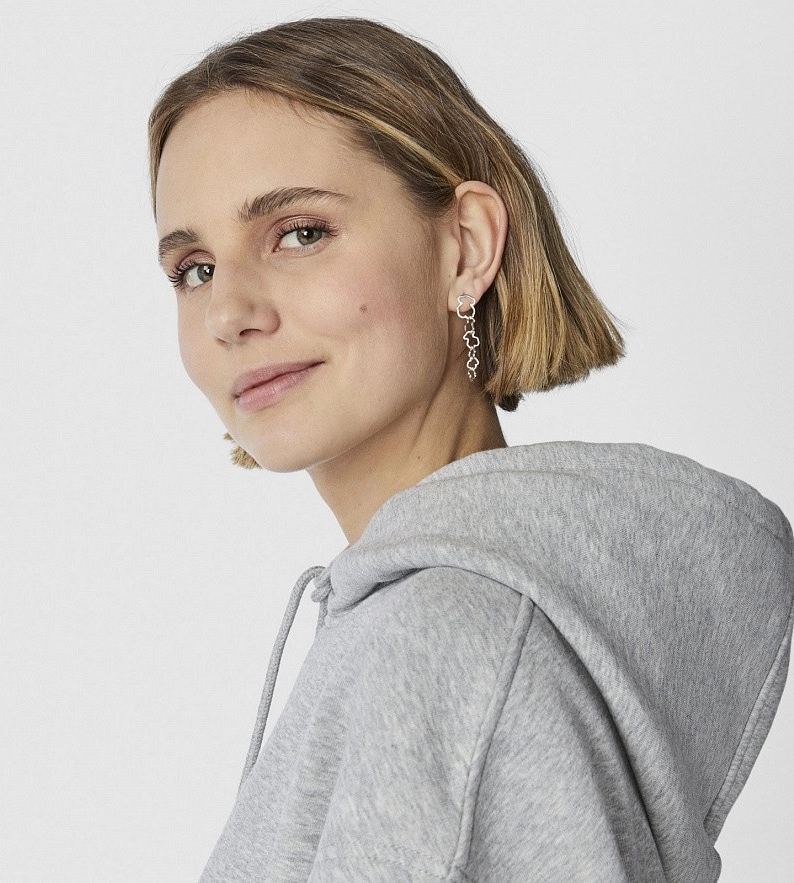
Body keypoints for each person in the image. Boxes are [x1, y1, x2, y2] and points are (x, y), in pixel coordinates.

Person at [149, 17, 793, 882]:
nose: (228, 312)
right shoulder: (432, 620)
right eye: (193, 268)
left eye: (299, 232)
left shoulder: (447, 637)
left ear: (466, 247)